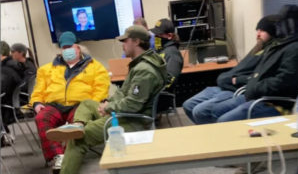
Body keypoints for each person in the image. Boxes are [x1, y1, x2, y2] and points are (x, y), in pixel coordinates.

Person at [45, 25, 168, 174]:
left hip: (132, 121)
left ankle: (74, 142)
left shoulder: (144, 70)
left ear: (136, 42)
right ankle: (77, 125)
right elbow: (123, 92)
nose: (122, 45)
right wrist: (108, 103)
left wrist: (109, 108)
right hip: (125, 114)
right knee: (87, 103)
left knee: (78, 139)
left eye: (125, 41)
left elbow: (133, 105)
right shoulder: (141, 63)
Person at [29, 31, 110, 171]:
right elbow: (38, 90)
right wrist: (36, 103)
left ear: (78, 48)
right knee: (41, 117)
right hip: (54, 105)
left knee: (77, 123)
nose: (67, 51)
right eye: (64, 48)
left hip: (80, 105)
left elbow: (101, 89)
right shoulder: (46, 69)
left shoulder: (95, 67)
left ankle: (68, 155)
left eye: (70, 47)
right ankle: (57, 156)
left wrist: (90, 106)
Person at [182, 15, 278, 124]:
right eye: (258, 30)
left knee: (200, 111)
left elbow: (258, 78)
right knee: (188, 105)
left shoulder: (271, 53)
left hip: (236, 89)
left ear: (273, 33)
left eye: (262, 31)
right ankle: (208, 130)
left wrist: (236, 80)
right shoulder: (257, 48)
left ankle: (214, 134)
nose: (258, 34)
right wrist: (227, 78)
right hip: (225, 85)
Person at [214, 6, 298, 123]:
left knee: (223, 120)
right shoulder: (279, 45)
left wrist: (254, 87)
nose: (279, 27)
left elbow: (284, 82)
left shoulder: (295, 48)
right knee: (215, 110)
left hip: (274, 103)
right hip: (256, 95)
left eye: (282, 23)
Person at [150, 18, 183, 114]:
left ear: (169, 36)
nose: (156, 37)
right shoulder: (161, 51)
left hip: (160, 99)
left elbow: (169, 81)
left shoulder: (172, 54)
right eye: (155, 34)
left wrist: (149, 91)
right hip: (153, 96)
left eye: (159, 35)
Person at [1, 41, 24, 146]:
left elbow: (2, 90)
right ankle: (4, 134)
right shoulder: (12, 65)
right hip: (11, 103)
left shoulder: (5, 70)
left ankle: (4, 134)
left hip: (7, 108)